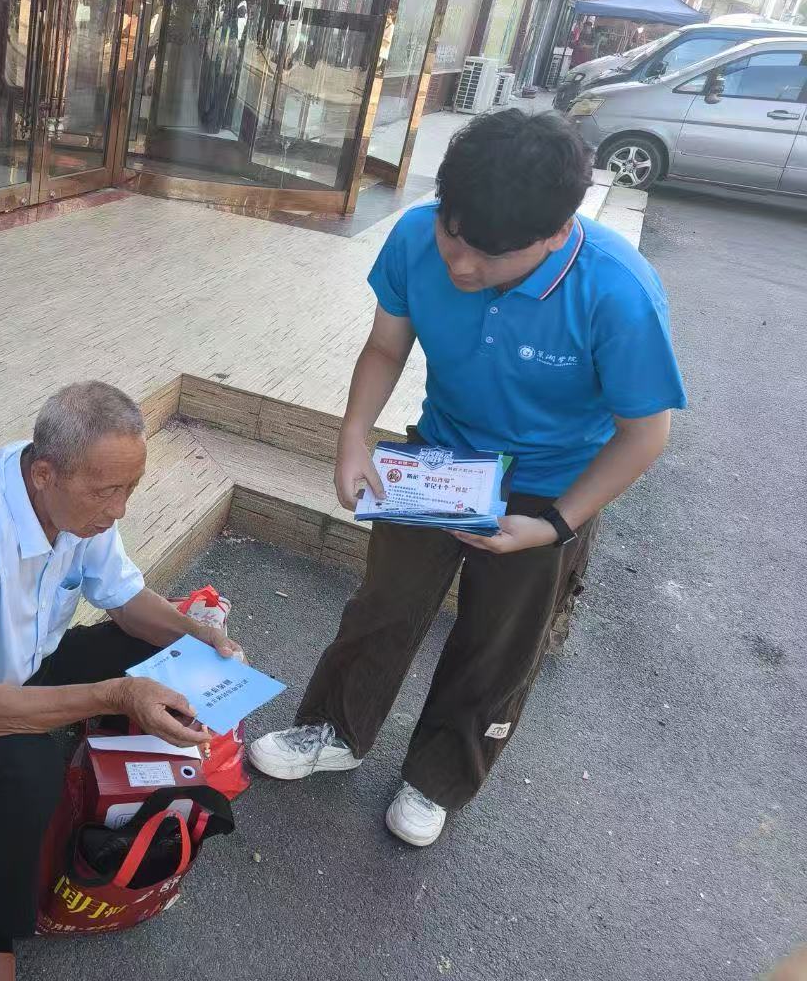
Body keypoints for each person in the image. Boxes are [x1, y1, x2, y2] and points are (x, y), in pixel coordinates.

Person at [249, 109, 686, 847]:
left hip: (552, 483)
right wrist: (353, 437)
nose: (462, 267)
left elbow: (645, 435)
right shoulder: (416, 236)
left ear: (557, 232)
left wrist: (554, 525)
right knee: (384, 602)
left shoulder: (619, 293)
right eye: (455, 235)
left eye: (491, 255)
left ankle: (438, 778)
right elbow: (386, 346)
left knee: (500, 640)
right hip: (440, 456)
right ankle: (335, 729)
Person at [0, 381, 241, 981]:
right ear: (44, 475)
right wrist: (117, 695)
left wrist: (196, 634)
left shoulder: (77, 494)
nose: (119, 509)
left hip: (26, 667)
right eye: (107, 491)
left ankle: (130, 770)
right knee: (28, 768)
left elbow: (125, 601)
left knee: (153, 645)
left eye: (130, 488)